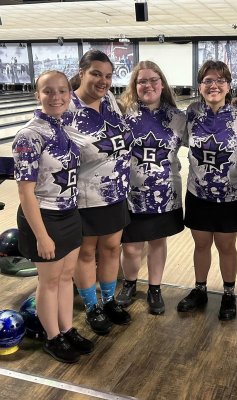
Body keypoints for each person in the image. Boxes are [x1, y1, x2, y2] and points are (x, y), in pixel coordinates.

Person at [13, 70, 93, 363]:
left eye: (62, 90)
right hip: (43, 219)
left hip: (69, 213)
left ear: (69, 94)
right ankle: (52, 338)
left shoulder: (64, 127)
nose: (56, 96)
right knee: (48, 282)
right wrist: (42, 235)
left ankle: (67, 329)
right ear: (38, 95)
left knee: (65, 278)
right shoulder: (28, 136)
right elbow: (25, 193)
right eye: (48, 91)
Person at [64, 50, 132, 335]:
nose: (102, 81)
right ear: (82, 73)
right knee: (87, 253)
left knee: (111, 249)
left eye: (107, 75)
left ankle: (109, 301)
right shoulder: (66, 108)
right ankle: (92, 307)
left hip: (116, 193)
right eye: (95, 74)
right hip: (85, 196)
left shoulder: (110, 102)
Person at [177, 60, 237, 320]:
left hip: (230, 194)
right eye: (208, 80)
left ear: (228, 86)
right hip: (197, 193)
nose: (214, 85)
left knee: (226, 245)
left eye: (220, 80)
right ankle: (200, 290)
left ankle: (229, 293)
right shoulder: (191, 112)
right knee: (201, 244)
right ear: (200, 86)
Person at [115, 61, 186, 314]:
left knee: (157, 242)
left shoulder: (178, 117)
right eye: (142, 81)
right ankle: (130, 284)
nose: (148, 85)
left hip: (165, 193)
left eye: (153, 80)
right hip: (130, 193)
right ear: (134, 85)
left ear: (162, 83)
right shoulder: (122, 113)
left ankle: (155, 288)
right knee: (132, 246)